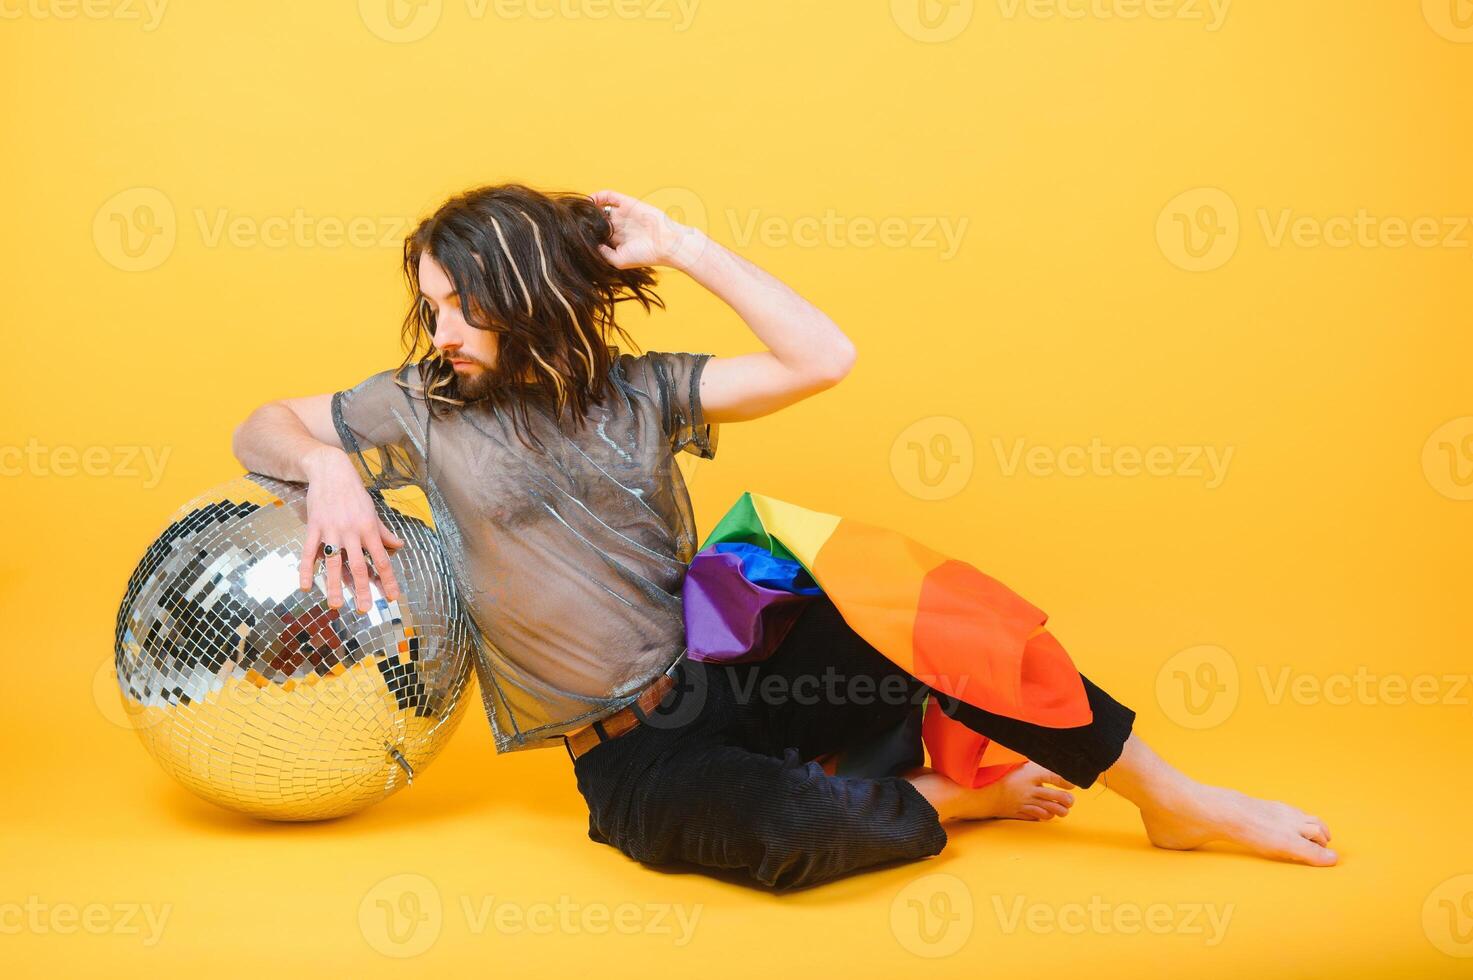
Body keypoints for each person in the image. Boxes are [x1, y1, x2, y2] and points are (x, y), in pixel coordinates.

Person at [231, 182, 1337, 891]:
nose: (443, 331)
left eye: (461, 307)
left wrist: (687, 244)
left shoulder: (644, 390)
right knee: (785, 833)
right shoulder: (425, 403)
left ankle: (1176, 801)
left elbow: (824, 357)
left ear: (532, 297)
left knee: (951, 617)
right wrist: (328, 461)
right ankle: (968, 798)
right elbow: (259, 422)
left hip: (728, 659)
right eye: (430, 307)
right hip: (629, 752)